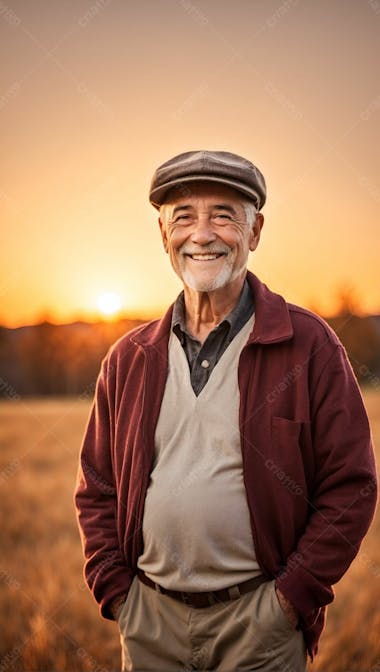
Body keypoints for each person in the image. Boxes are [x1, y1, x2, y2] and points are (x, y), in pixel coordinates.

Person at [75, 150, 377, 672]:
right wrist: (121, 597)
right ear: (162, 234)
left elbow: (351, 486)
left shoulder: (308, 345)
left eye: (222, 214)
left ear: (254, 230)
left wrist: (288, 600)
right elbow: (96, 486)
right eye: (184, 216)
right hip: (150, 623)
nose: (202, 234)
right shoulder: (129, 358)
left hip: (260, 625)